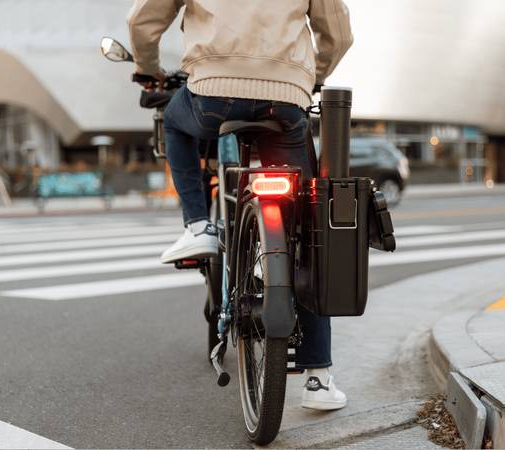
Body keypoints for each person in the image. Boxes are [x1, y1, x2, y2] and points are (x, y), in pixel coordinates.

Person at [128, 0, 353, 411]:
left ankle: (197, 225)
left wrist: (150, 69)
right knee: (305, 232)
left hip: (212, 94)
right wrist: (309, 78)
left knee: (174, 122)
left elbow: (143, 20)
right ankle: (318, 377)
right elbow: (338, 34)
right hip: (285, 101)